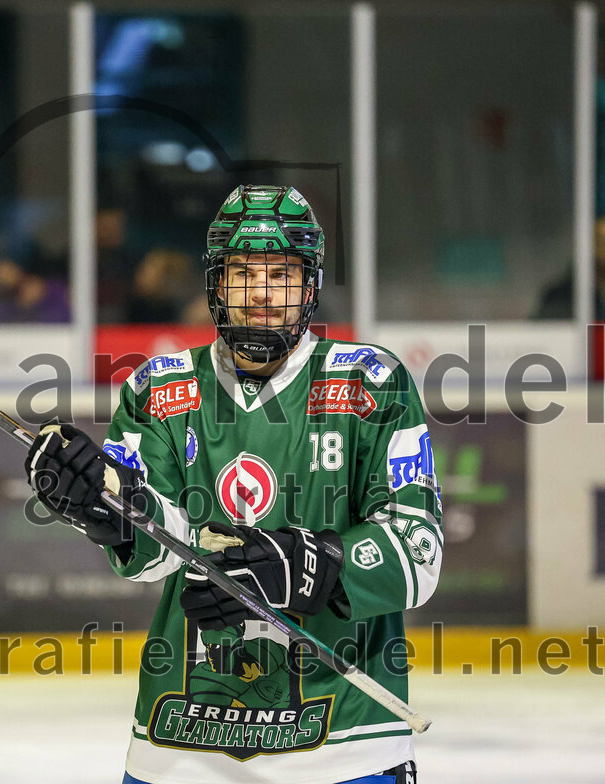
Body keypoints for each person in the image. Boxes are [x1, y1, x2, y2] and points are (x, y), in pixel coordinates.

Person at [24, 185, 441, 784]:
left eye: (282, 272)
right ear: (215, 284)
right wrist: (102, 504)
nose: (263, 293)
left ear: (312, 283)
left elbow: (419, 554)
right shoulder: (159, 389)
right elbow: (152, 551)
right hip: (183, 743)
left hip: (346, 742)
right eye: (243, 272)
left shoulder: (373, 384)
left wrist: (306, 563)